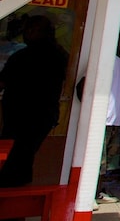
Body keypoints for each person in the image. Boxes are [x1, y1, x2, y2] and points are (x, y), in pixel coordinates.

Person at [0, 15, 69, 188]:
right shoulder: (60, 55)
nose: (26, 33)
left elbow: (3, 81)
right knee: (21, 160)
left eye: (31, 30)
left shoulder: (25, 57)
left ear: (44, 32)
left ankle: (13, 207)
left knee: (14, 162)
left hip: (24, 117)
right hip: (42, 117)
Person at [95, 28, 120, 204]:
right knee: (97, 160)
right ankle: (91, 194)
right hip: (103, 118)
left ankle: (99, 191)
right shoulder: (107, 61)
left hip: (116, 119)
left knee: (108, 160)